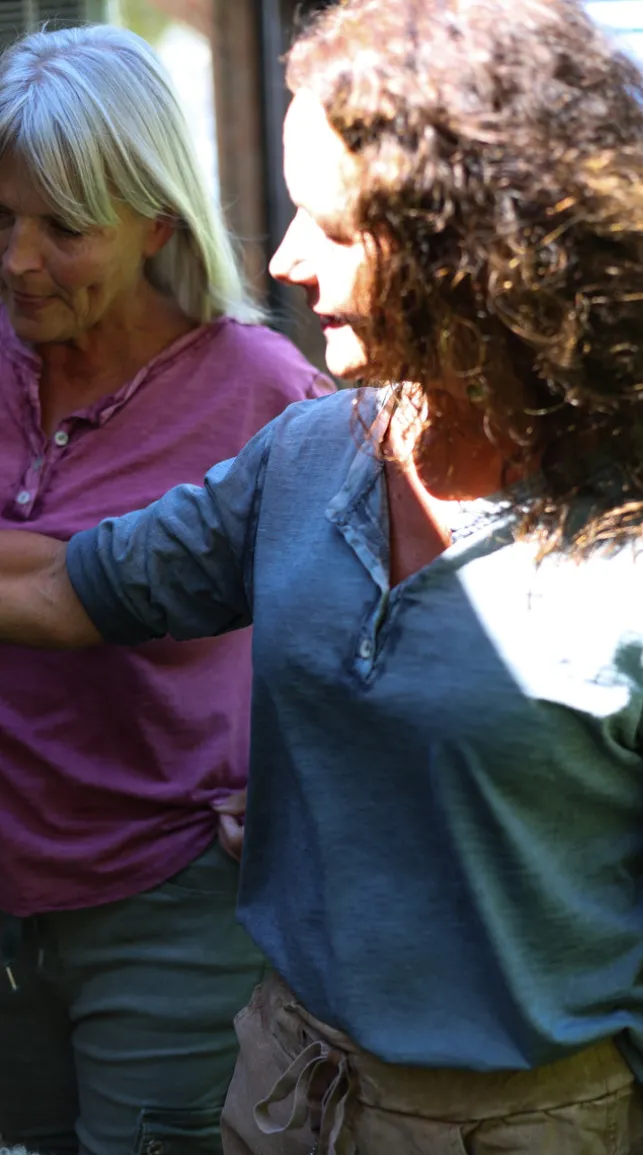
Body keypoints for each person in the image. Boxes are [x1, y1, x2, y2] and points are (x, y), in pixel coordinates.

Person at [1, 0, 643, 1152]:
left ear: (481, 252)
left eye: (331, 228)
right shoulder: (307, 455)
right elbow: (76, 591)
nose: (280, 260)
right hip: (286, 1093)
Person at [0, 23, 330, 1155]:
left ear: (155, 219)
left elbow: (359, 631)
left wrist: (289, 779)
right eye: (0, 217)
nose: (18, 259)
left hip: (168, 898)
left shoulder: (263, 392)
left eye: (63, 227)